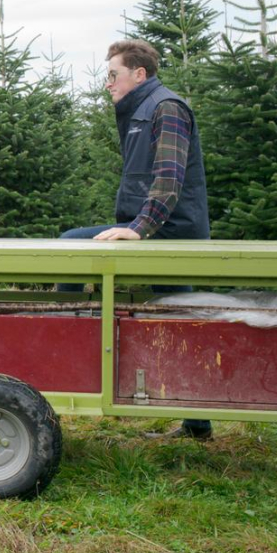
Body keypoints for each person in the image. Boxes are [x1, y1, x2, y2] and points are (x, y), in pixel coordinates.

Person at [58, 38, 213, 440]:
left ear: (139, 74)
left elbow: (168, 180)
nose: (107, 83)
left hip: (169, 235)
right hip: (158, 232)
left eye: (113, 75)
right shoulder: (142, 110)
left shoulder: (166, 108)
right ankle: (198, 425)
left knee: (71, 243)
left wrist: (138, 228)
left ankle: (65, 338)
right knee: (177, 318)